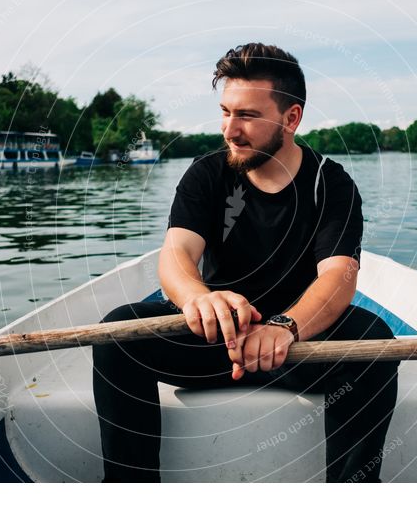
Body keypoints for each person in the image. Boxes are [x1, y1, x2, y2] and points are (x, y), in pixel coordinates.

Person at [92, 42, 399, 483]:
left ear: (291, 118)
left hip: (298, 346)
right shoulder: (206, 173)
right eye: (225, 112)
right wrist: (198, 298)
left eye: (248, 116)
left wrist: (284, 326)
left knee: (372, 341)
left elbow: (339, 276)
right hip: (215, 339)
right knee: (117, 333)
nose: (230, 130)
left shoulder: (329, 183)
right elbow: (177, 254)